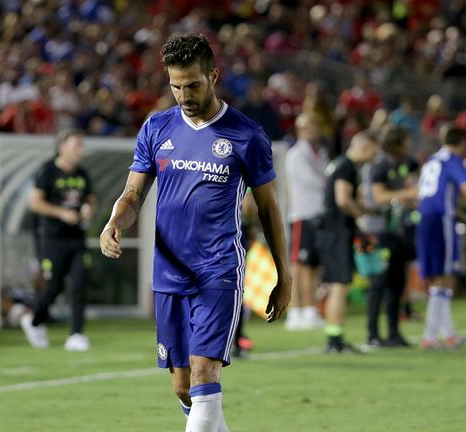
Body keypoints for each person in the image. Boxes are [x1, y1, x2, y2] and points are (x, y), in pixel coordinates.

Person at [99, 33, 291, 432]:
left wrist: (282, 274)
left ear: (213, 76)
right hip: (169, 273)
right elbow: (133, 193)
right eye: (175, 85)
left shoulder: (246, 135)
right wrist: (115, 220)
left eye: (192, 85)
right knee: (184, 387)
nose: (183, 94)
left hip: (217, 269)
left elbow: (269, 208)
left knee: (205, 374)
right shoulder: (156, 128)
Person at [20, 129, 96, 351]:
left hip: (77, 238)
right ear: (62, 147)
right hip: (53, 239)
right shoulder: (48, 171)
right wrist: (61, 213)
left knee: (80, 282)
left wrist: (89, 211)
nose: (80, 150)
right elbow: (34, 203)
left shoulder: (82, 173)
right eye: (76, 145)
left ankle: (76, 334)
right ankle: (34, 320)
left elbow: (91, 199)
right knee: (54, 285)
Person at [416, 125, 466, 350]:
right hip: (442, 220)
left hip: (425, 218)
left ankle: (447, 335)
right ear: (462, 142)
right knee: (447, 277)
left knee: (440, 278)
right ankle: (430, 337)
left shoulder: (431, 161)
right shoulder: (454, 160)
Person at [317, 131, 379, 353]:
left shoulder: (339, 164)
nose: (374, 156)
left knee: (338, 285)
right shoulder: (346, 166)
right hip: (336, 231)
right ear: (363, 147)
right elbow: (343, 199)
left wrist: (366, 209)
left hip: (331, 230)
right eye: (373, 151)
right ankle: (334, 340)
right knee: (339, 285)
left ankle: (335, 337)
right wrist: (360, 217)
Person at [360, 126, 418, 348]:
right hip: (377, 232)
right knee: (379, 283)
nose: (409, 145)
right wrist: (408, 194)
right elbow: (378, 196)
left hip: (395, 231)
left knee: (397, 282)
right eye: (406, 140)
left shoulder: (398, 165)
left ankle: (394, 333)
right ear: (397, 144)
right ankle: (373, 335)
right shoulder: (379, 165)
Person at [284, 113, 328, 331]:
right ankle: (294, 312)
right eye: (310, 128)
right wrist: (331, 181)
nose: (314, 131)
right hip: (302, 214)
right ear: (301, 130)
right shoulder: (296, 155)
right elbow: (315, 181)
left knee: (311, 266)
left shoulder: (320, 152)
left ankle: (310, 310)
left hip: (317, 215)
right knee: (299, 266)